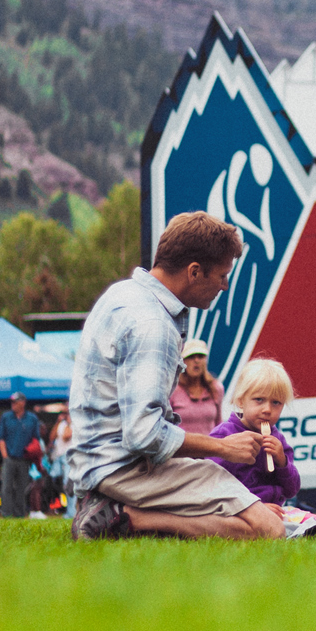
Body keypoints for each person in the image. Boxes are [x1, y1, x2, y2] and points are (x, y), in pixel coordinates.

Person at [66, 210, 279, 541]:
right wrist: (223, 447)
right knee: (268, 528)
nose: (224, 285)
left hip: (98, 461)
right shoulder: (154, 326)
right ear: (194, 272)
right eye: (222, 276)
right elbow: (144, 435)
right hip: (125, 468)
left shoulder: (122, 295)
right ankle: (125, 517)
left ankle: (111, 508)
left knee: (236, 507)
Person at [207, 359, 301, 510]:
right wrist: (256, 508)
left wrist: (282, 462)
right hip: (236, 512)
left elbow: (291, 490)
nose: (267, 409)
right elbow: (212, 487)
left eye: (276, 403)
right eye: (259, 400)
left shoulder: (278, 440)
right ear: (241, 401)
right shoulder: (224, 435)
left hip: (274, 512)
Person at [0, 393, 42, 519]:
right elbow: (1, 438)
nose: (13, 405)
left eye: (15, 402)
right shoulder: (6, 417)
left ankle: (20, 513)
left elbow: (36, 439)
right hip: (9, 457)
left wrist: (34, 454)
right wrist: (5, 456)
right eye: (11, 402)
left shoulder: (32, 419)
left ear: (23, 402)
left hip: (24, 458)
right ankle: (6, 513)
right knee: (6, 486)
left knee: (22, 488)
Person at [169, 342, 222, 434]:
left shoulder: (216, 388)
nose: (196, 361)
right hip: (181, 447)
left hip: (210, 447)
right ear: (183, 361)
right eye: (191, 357)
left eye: (200, 356)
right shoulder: (172, 389)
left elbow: (218, 423)